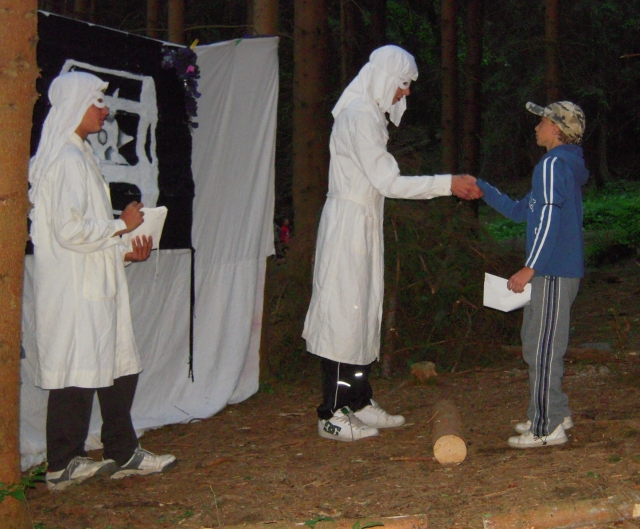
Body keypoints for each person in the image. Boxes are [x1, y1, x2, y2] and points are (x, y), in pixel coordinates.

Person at [302, 45, 482, 442]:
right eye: (403, 83)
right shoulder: (357, 117)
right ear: (385, 78)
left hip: (363, 222)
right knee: (343, 315)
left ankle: (358, 400)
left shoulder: (369, 115)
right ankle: (332, 412)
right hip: (348, 225)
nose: (406, 92)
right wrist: (447, 184)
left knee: (364, 311)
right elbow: (388, 182)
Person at [29, 71, 177, 491]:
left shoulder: (79, 156)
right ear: (76, 105)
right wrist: (121, 224)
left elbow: (85, 236)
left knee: (117, 363)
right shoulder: (64, 160)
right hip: (74, 289)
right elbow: (68, 231)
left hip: (94, 282)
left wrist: (124, 251)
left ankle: (122, 450)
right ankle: (61, 463)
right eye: (97, 102)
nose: (105, 110)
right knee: (77, 368)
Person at [476, 101, 589, 449]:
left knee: (543, 349)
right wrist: (482, 188)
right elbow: (520, 211)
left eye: (542, 121)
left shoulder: (553, 165)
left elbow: (550, 218)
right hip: (551, 271)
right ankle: (554, 411)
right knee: (536, 343)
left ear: (557, 129)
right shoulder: (558, 166)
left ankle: (546, 427)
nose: (536, 127)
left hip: (553, 271)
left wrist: (531, 267)